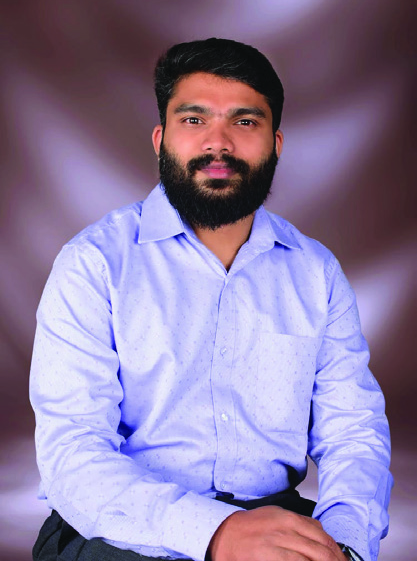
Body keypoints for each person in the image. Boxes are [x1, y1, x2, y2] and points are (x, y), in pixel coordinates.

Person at [30, 38, 393, 561]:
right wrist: (218, 533)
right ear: (161, 139)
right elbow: (72, 455)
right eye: (194, 119)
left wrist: (342, 544)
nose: (217, 142)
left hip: (270, 518)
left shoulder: (316, 273)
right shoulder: (94, 264)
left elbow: (354, 433)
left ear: (276, 143)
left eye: (244, 121)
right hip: (117, 527)